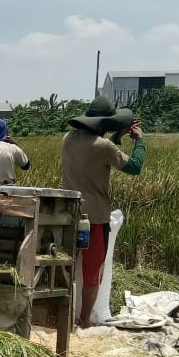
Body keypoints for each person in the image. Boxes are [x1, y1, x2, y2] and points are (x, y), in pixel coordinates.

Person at [61, 96, 146, 328]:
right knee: (91, 271)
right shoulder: (104, 147)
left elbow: (98, 147)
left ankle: (59, 316)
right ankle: (84, 320)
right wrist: (139, 141)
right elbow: (134, 167)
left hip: (68, 215)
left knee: (66, 267)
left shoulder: (67, 139)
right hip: (95, 218)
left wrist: (117, 136)